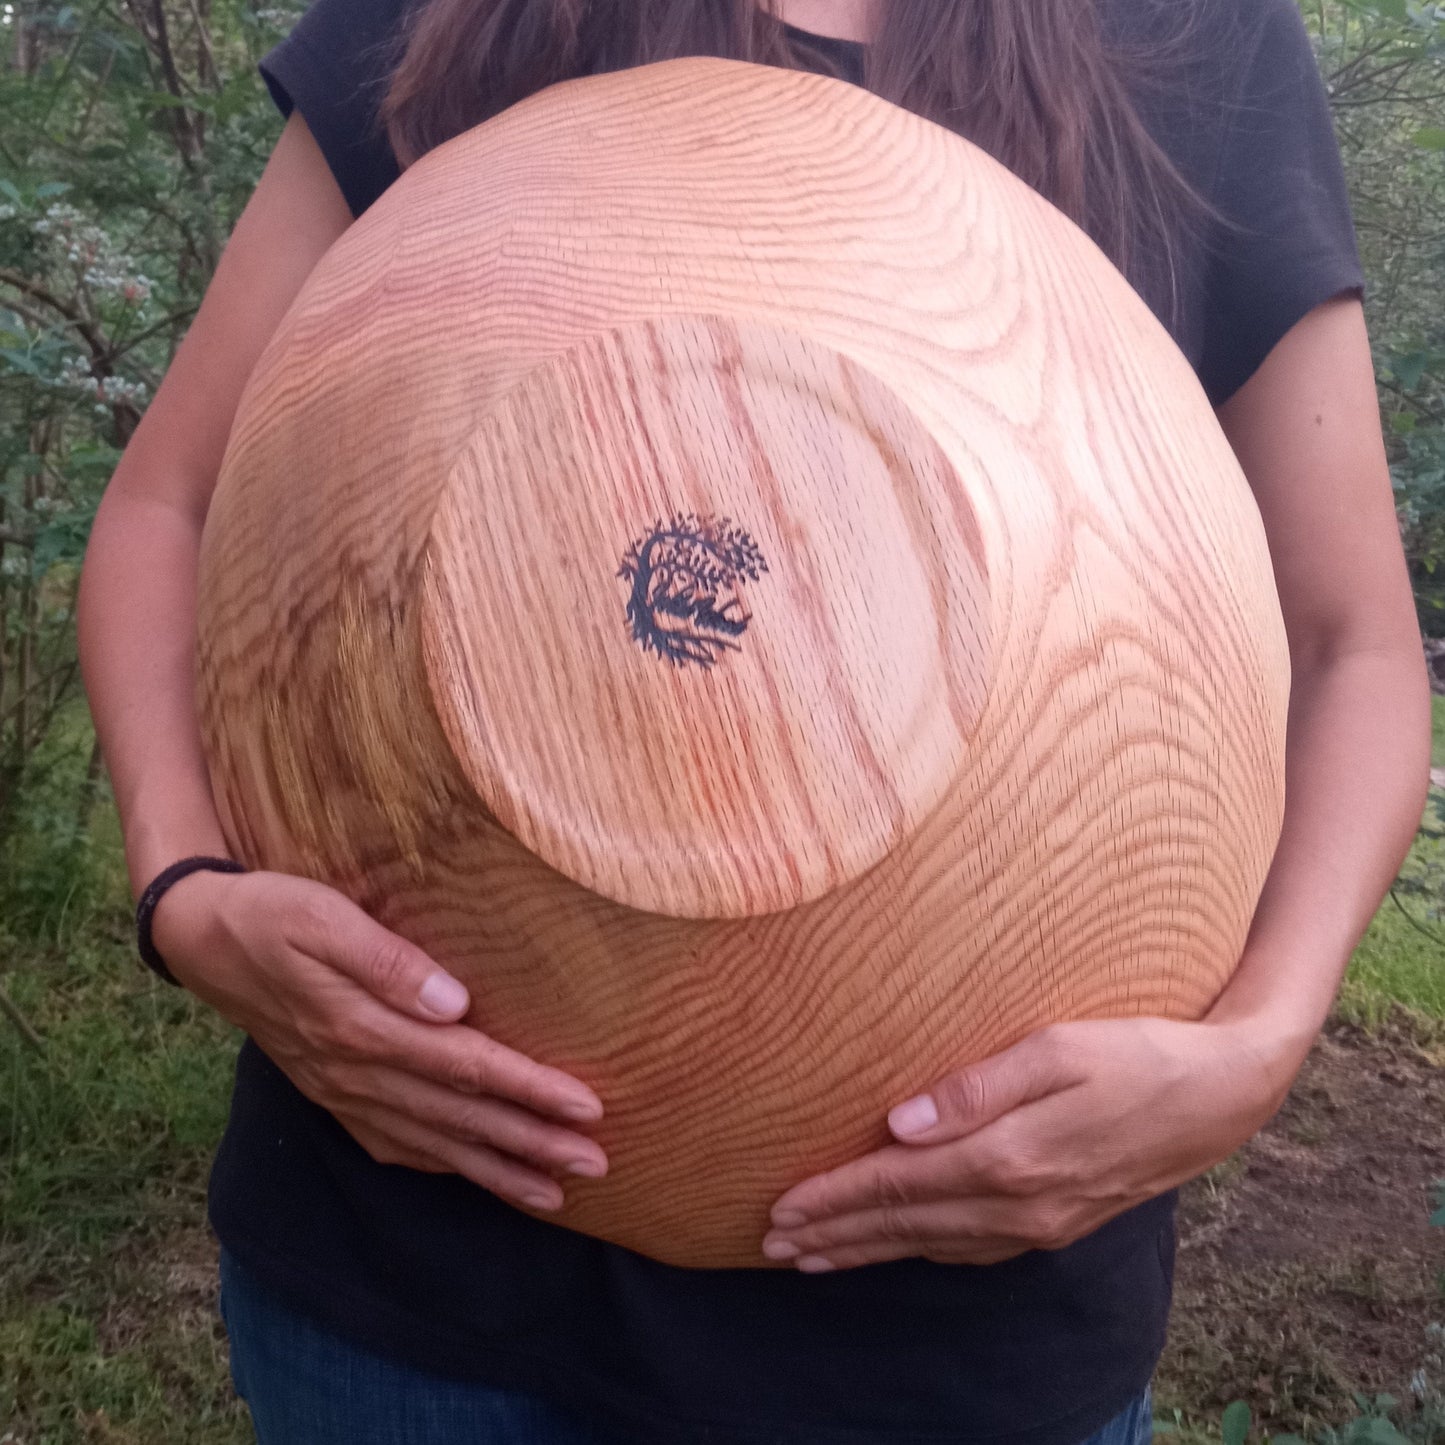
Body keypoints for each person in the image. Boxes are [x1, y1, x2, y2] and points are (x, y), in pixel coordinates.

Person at [76, 0, 1430, 1441]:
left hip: (958, 1339)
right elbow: (175, 501)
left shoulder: (1198, 38)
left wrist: (1258, 1042)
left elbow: (1352, 640)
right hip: (411, 1286)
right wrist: (184, 889)